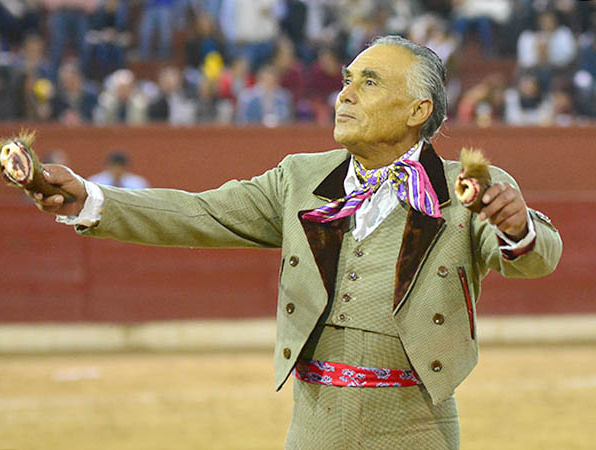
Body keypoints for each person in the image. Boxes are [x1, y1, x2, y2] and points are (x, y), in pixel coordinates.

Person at [28, 35, 562, 449]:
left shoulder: (468, 188)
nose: (345, 94)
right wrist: (91, 199)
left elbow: (535, 258)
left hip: (416, 428)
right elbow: (203, 211)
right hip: (314, 426)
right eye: (347, 79)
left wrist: (518, 229)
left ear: (418, 110)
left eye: (369, 82)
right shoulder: (299, 178)